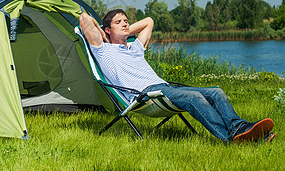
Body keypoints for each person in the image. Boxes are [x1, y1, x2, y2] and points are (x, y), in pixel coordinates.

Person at [79, 9, 275, 144]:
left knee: (217, 92)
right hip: (146, 96)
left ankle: (240, 129)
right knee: (194, 97)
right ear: (106, 30)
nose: (124, 24)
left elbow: (149, 21)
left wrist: (124, 31)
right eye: (118, 22)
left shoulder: (136, 48)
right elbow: (84, 20)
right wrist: (106, 35)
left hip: (165, 89)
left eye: (126, 21)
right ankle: (230, 139)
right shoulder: (103, 50)